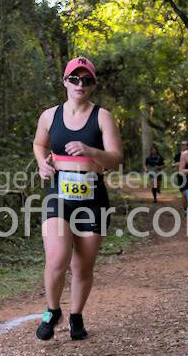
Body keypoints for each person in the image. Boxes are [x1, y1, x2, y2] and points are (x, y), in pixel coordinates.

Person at [33, 57, 123, 341]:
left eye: (86, 80)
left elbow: (117, 159)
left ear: (92, 84)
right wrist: (41, 163)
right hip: (58, 194)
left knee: (81, 265)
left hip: (92, 197)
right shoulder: (49, 116)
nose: (80, 84)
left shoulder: (103, 117)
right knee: (57, 257)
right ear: (65, 81)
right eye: (75, 78)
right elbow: (39, 144)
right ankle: (51, 311)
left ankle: (76, 317)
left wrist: (89, 150)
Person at [173, 140, 188, 215]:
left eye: (186, 145)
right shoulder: (177, 155)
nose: (184, 146)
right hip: (181, 177)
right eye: (182, 145)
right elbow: (172, 164)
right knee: (184, 195)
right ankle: (185, 210)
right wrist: (180, 163)